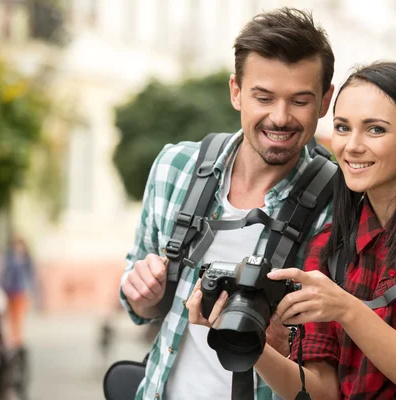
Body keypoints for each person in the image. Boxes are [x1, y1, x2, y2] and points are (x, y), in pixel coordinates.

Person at [188, 62, 396, 399]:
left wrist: (345, 308)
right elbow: (322, 391)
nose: (352, 146)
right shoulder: (332, 244)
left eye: (375, 130)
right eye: (343, 128)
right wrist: (244, 338)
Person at [119, 7, 335, 400]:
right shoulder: (175, 167)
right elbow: (139, 302)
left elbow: (333, 365)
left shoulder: (340, 204)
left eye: (300, 101)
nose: (280, 117)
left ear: (325, 102)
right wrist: (142, 294)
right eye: (264, 97)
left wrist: (281, 341)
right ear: (236, 92)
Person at [0, 235, 34, 351]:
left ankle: (17, 340)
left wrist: (30, 291)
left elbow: (31, 276)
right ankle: (12, 340)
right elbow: (3, 274)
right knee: (9, 317)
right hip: (9, 290)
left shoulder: (26, 259)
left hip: (21, 292)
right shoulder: (9, 258)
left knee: (18, 317)